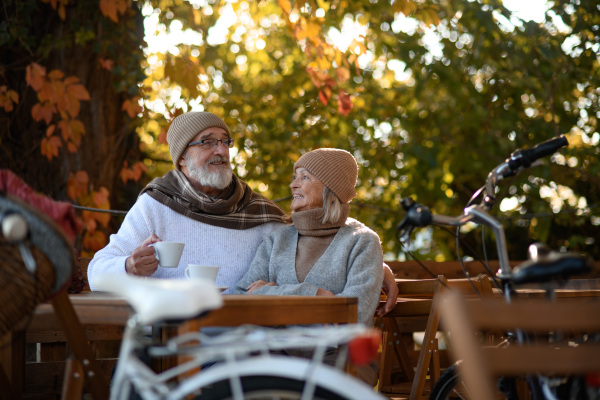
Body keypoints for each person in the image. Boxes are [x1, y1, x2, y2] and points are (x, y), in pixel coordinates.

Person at [87, 112, 398, 315]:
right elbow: (96, 272)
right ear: (182, 158)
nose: (221, 151)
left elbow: (319, 227)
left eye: (224, 142)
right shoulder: (155, 206)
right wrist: (128, 265)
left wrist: (374, 262)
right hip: (172, 342)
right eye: (207, 142)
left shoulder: (258, 212)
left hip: (248, 345)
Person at [235, 148, 383, 326]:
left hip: (331, 353)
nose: (293, 185)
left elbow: (354, 315)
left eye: (304, 177)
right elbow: (243, 296)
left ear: (331, 189)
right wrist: (317, 295)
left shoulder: (362, 241)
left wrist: (272, 295)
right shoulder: (277, 240)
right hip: (270, 350)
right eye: (295, 177)